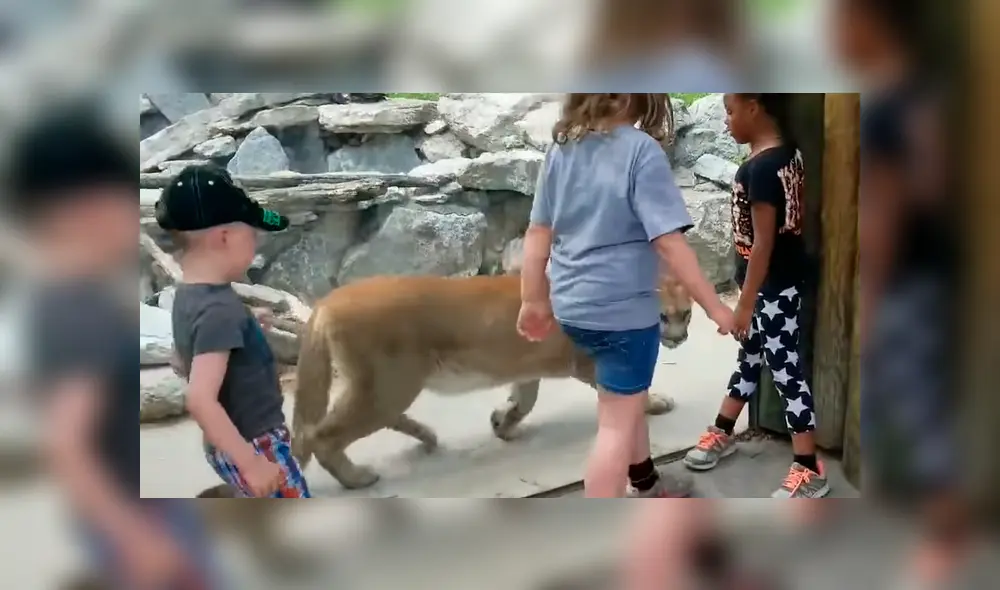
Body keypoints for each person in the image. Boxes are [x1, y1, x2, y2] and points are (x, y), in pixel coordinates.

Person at [7, 103, 222, 588]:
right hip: (133, 518)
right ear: (81, 210)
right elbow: (67, 444)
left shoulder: (78, 295)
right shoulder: (73, 310)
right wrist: (136, 539)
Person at [516, 93, 735, 499]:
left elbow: (538, 234)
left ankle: (646, 483)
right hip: (622, 314)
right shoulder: (641, 152)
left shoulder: (562, 148)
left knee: (622, 400)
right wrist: (715, 305)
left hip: (573, 308)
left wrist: (533, 299)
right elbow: (669, 242)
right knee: (614, 427)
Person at [831, 0, 969, 586]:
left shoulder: (886, 107)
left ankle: (944, 540)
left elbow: (886, 213)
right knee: (918, 400)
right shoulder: (924, 95)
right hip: (940, 272)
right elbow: (935, 185)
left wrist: (874, 296)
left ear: (871, 25)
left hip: (908, 280)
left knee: (918, 407)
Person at [681, 93, 828, 499]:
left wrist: (744, 304)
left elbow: (763, 244)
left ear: (754, 106)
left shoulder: (762, 169)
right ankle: (723, 430)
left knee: (786, 373)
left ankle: (808, 467)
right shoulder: (787, 155)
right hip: (778, 283)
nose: (726, 120)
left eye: (730, 110)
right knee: (751, 359)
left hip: (773, 288)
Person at [155, 164, 312, 499]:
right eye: (252, 233)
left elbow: (184, 358)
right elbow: (199, 400)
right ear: (224, 238)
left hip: (222, 444)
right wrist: (252, 463)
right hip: (255, 443)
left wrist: (247, 323)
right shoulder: (220, 311)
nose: (256, 242)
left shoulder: (189, 295)